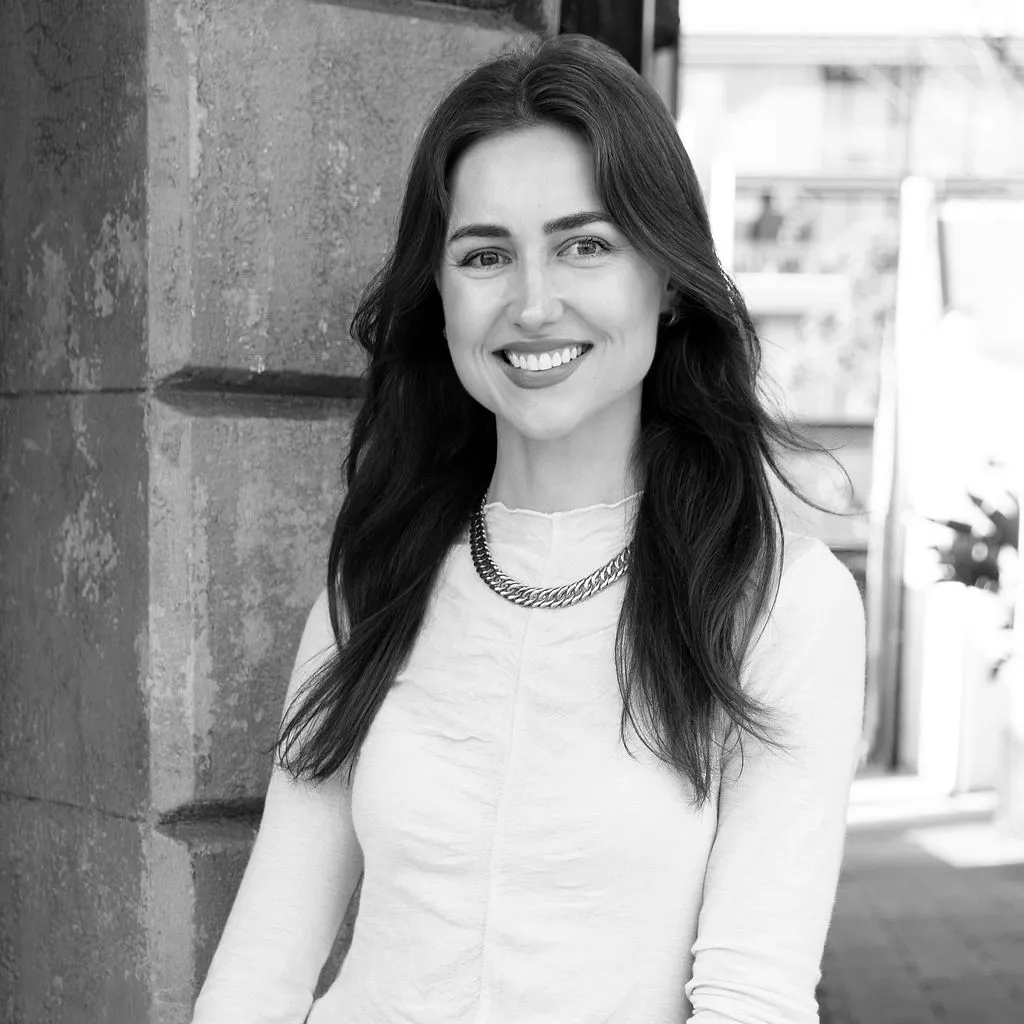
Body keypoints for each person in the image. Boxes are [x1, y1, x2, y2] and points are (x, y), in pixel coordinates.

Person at [190, 32, 865, 1024]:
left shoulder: (777, 601)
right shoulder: (377, 579)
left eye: (584, 243)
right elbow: (261, 973)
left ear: (668, 279)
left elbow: (751, 999)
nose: (533, 301)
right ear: (442, 292)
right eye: (485, 254)